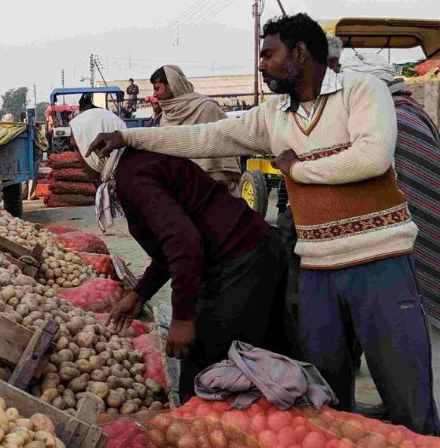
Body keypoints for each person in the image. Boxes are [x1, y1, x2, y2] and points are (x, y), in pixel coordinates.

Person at [88, 13, 440, 435]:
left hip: (378, 262)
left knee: (406, 391)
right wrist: (131, 138)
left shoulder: (361, 91)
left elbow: (372, 157)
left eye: (268, 54)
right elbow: (206, 138)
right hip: (317, 270)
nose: (260, 64)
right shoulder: (274, 115)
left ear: (301, 53)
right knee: (327, 398)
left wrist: (298, 169)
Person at [70, 108, 287, 402]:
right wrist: (139, 295)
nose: (76, 159)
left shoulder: (133, 176)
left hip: (241, 261)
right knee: (254, 364)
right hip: (249, 252)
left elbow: (184, 243)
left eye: (76, 148)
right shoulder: (136, 163)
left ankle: (214, 435)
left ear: (95, 147)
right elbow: (170, 246)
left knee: (203, 375)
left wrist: (183, 319)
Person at [341, 49, 440, 420]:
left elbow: (416, 183)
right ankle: (406, 405)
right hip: (409, 237)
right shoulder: (400, 110)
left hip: (423, 238)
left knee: (424, 334)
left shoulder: (397, 118)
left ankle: (429, 414)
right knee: (403, 335)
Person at [149, 65, 242, 195]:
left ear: (172, 86)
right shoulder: (166, 117)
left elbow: (228, 142)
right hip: (182, 189)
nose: (154, 94)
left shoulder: (206, 108)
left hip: (215, 187)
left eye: (157, 89)